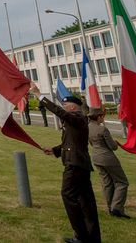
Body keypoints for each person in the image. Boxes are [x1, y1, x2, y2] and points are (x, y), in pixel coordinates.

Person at [29, 83, 100, 243]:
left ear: (72, 107)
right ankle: (91, 237)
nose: (63, 107)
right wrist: (54, 150)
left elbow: (59, 112)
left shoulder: (78, 118)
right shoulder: (74, 121)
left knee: (68, 195)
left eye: (65, 104)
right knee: (86, 202)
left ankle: (81, 235)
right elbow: (69, 144)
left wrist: (39, 95)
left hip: (75, 165)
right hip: (79, 164)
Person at [88, 107, 130, 219]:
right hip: (108, 158)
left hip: (96, 157)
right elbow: (112, 146)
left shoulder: (88, 128)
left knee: (107, 183)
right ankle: (116, 207)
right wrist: (116, 143)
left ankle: (110, 207)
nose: (103, 118)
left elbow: (91, 143)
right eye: (102, 116)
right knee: (122, 182)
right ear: (98, 117)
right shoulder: (102, 129)